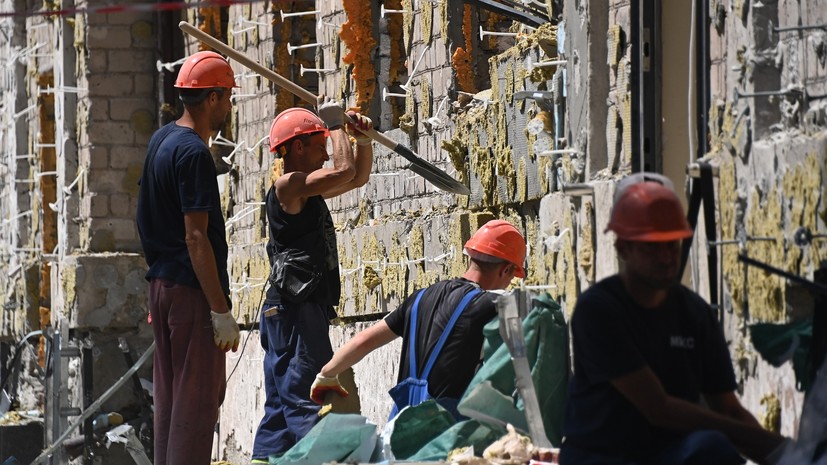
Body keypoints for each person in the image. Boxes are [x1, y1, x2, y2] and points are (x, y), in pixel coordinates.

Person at [559, 173, 790, 465]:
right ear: (622, 249)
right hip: (603, 455)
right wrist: (770, 444)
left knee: (713, 449)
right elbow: (659, 408)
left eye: (672, 245)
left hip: (669, 454)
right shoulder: (599, 311)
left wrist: (788, 457)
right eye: (652, 247)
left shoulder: (696, 314)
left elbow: (728, 410)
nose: (666, 257)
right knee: (715, 442)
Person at [251, 101, 374, 464]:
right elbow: (343, 168)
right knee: (308, 395)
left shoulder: (306, 191)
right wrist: (336, 123)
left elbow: (356, 176)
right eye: (319, 144)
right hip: (295, 311)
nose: (325, 152)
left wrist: (362, 141)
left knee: (279, 407)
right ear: (298, 147)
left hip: (288, 310)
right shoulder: (288, 185)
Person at [309, 220, 527, 420]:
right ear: (506, 269)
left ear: (470, 256)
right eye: (511, 277)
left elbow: (363, 341)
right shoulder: (490, 305)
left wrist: (327, 374)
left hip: (400, 428)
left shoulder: (420, 297)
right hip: (445, 434)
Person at [136, 50, 241, 465]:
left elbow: (142, 217)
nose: (230, 105)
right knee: (196, 406)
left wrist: (161, 275)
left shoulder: (161, 139)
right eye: (228, 97)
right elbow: (196, 238)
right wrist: (219, 309)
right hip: (191, 294)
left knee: (172, 403)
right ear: (211, 98)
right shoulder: (194, 153)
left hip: (163, 288)